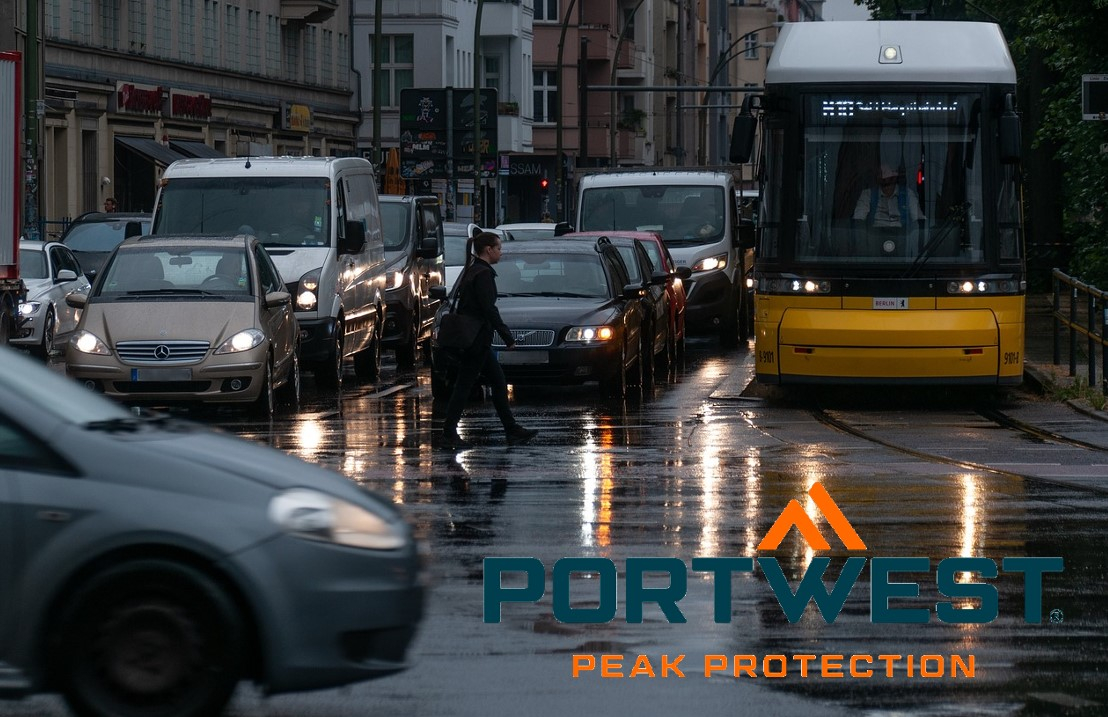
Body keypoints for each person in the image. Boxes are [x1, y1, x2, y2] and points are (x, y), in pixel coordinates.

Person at [441, 231, 538, 449]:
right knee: (464, 386)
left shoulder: (473, 270)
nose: (500, 253)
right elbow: (488, 309)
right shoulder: (482, 274)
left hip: (476, 339)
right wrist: (507, 336)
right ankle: (448, 433)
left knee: (497, 381)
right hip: (476, 340)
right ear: (488, 250)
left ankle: (512, 429)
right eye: (499, 248)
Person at [852, 165, 922, 254]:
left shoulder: (908, 194)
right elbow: (858, 218)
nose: (887, 186)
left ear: (894, 180)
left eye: (890, 182)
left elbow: (918, 219)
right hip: (875, 232)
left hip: (900, 231)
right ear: (878, 182)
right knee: (870, 240)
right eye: (883, 183)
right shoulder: (867, 194)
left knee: (907, 239)